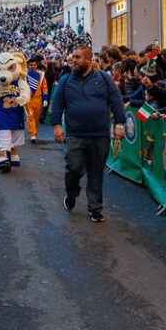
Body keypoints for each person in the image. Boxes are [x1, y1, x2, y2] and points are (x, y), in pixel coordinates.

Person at [51, 46, 125, 223]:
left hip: (100, 135)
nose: (73, 60)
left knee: (96, 172)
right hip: (75, 134)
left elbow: (116, 101)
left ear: (88, 60)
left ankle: (95, 208)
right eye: (73, 57)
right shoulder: (66, 80)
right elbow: (57, 103)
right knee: (74, 168)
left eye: (77, 57)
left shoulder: (104, 79)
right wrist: (56, 126)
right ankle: (71, 193)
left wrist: (120, 124)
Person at [26, 58, 48, 143]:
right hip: (29, 100)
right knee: (30, 116)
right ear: (28, 65)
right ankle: (33, 134)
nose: (33, 66)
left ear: (36, 65)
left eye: (34, 65)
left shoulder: (41, 75)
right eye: (31, 65)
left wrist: (45, 99)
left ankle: (33, 131)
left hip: (38, 99)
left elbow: (45, 88)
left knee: (36, 117)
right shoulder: (24, 75)